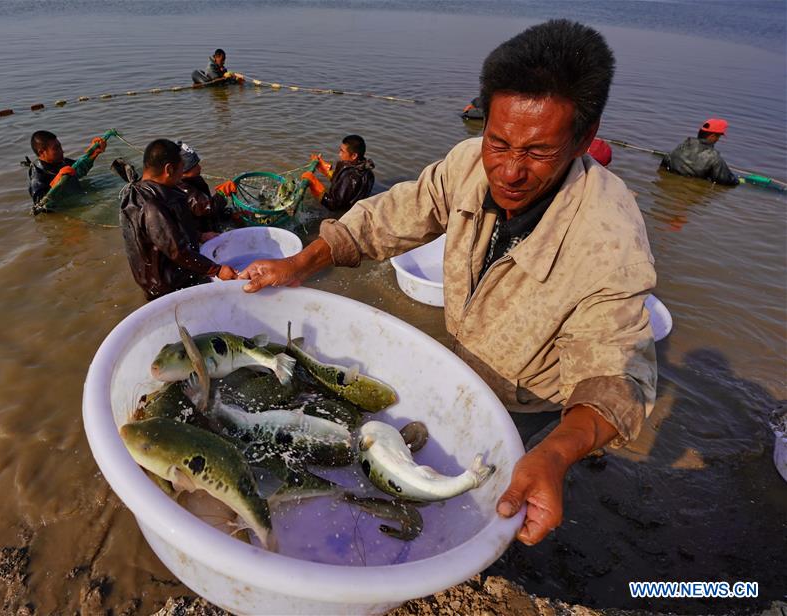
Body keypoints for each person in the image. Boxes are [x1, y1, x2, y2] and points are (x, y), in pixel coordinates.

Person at [238, 20, 657, 547]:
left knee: (495, 504)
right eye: (498, 142)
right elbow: (390, 215)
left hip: (530, 403)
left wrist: (554, 453)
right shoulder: (467, 166)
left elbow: (616, 377)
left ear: (584, 139)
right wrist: (301, 262)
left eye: (537, 152)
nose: (508, 171)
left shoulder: (609, 239)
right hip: (460, 356)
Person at [119, 139, 238, 301]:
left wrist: (199, 236)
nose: (182, 175)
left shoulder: (144, 191)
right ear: (169, 169)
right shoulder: (151, 206)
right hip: (167, 287)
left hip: (162, 277)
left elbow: (164, 234)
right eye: (181, 168)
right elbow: (177, 251)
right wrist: (216, 270)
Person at [24, 130, 106, 205]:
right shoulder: (37, 174)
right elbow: (39, 204)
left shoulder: (61, 161)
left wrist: (94, 153)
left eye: (60, 146)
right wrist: (56, 181)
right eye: (56, 148)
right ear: (42, 152)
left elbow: (80, 170)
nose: (62, 151)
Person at [174, 141, 230, 239]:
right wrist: (222, 193)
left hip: (208, 223)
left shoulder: (195, 178)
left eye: (197, 164)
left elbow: (207, 204)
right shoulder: (181, 188)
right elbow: (208, 207)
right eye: (194, 166)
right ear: (182, 171)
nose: (200, 168)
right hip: (198, 234)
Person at [305, 135, 376, 212]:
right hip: (356, 210)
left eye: (342, 151)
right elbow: (341, 182)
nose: (339, 154)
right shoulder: (367, 170)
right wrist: (323, 167)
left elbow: (333, 205)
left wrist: (315, 184)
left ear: (354, 155)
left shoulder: (350, 177)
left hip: (345, 215)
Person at [660, 119, 740, 185]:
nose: (718, 139)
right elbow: (724, 180)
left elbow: (666, 160)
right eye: (718, 136)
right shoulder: (713, 157)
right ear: (712, 136)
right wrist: (736, 180)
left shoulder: (682, 145)